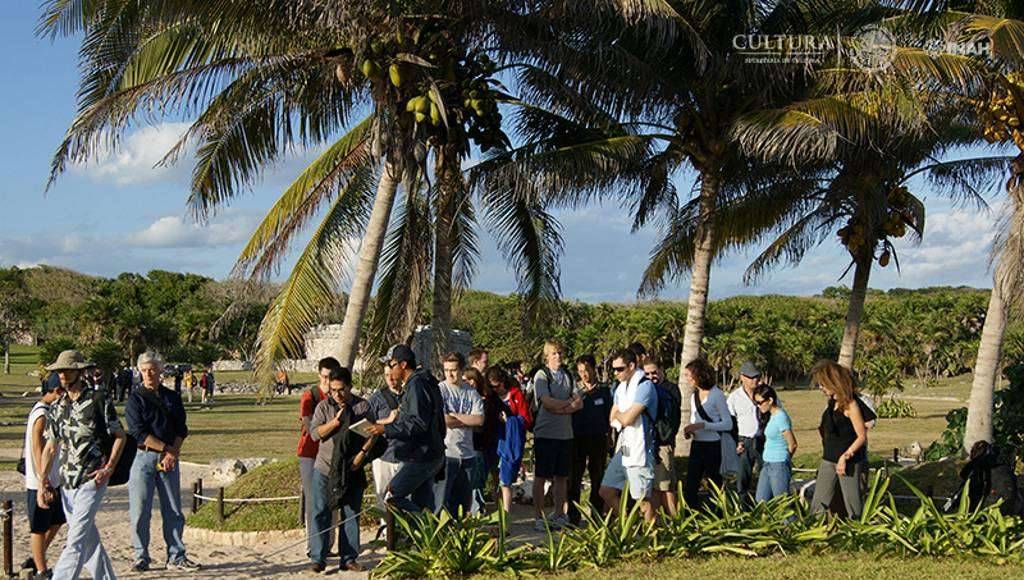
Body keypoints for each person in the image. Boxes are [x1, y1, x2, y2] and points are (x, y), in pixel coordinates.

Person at [37, 350, 127, 580]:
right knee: (88, 539)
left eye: (67, 370)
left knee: (75, 540)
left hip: (92, 478)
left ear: (80, 371)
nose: (63, 375)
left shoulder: (98, 400)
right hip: (67, 482)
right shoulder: (57, 407)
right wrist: (42, 482)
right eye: (59, 371)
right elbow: (50, 447)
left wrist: (110, 467)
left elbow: (119, 435)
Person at [125, 351, 199, 572]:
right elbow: (138, 432)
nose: (149, 373)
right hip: (144, 457)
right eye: (145, 370)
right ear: (140, 372)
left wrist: (172, 453)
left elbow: (181, 429)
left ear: (160, 371)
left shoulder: (172, 397)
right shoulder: (135, 399)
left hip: (169, 458)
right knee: (140, 510)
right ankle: (141, 556)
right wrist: (167, 450)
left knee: (173, 509)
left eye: (153, 369)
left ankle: (176, 555)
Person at [308, 367, 376, 573]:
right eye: (333, 390)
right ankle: (318, 557)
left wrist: (361, 455)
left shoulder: (362, 406)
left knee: (351, 512)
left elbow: (373, 434)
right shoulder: (323, 407)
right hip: (325, 467)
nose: (337, 394)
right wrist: (334, 423)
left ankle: (348, 557)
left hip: (352, 468)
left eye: (341, 390)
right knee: (320, 512)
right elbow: (314, 434)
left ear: (350, 386)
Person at [367, 345, 446, 516]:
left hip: (422, 456)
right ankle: (423, 536)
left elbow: (417, 423)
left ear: (402, 365)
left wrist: (385, 428)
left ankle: (425, 528)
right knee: (422, 502)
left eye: (392, 364)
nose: (389, 369)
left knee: (392, 496)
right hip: (430, 452)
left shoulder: (417, 385)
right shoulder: (423, 382)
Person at [598, 349, 658, 523]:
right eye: (613, 369)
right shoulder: (620, 389)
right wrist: (620, 416)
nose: (616, 373)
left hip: (640, 449)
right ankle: (628, 525)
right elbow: (614, 417)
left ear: (631, 366)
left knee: (643, 500)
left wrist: (620, 416)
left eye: (620, 369)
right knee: (606, 490)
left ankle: (651, 537)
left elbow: (627, 418)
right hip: (624, 447)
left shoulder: (644, 386)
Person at [531, 340, 582, 531]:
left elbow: (580, 403)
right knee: (541, 475)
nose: (558, 356)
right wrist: (568, 405)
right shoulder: (542, 376)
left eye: (559, 352)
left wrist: (563, 407)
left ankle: (560, 513)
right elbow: (547, 402)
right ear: (547, 356)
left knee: (562, 477)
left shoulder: (568, 375)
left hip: (565, 434)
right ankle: (538, 516)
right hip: (546, 433)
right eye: (553, 353)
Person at [809, 360, 868, 518]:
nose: (821, 388)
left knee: (852, 504)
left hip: (847, 462)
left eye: (823, 384)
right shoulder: (832, 403)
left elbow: (861, 436)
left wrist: (846, 456)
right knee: (818, 503)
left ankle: (857, 533)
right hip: (828, 458)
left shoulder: (851, 405)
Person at [22, 379, 66, 580]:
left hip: (53, 478)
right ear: (56, 391)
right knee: (39, 526)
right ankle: (41, 570)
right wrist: (43, 478)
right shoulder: (42, 414)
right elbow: (38, 446)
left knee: (58, 519)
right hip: (40, 480)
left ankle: (36, 557)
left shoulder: (47, 411)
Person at [299, 357, 340, 555]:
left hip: (332, 455)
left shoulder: (339, 396)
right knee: (313, 501)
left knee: (333, 501)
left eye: (330, 377)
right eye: (323, 377)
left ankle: (328, 544)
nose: (326, 381)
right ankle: (313, 545)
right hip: (310, 453)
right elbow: (309, 426)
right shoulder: (310, 396)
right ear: (319, 375)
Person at [681, 358, 731, 510]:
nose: (687, 378)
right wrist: (690, 431)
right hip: (697, 445)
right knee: (691, 484)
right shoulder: (693, 396)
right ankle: (691, 514)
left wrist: (704, 425)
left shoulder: (717, 395)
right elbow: (694, 419)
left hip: (713, 445)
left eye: (689, 375)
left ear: (699, 375)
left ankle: (720, 514)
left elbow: (728, 424)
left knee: (715, 484)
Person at [437, 352, 484, 515]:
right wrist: (466, 419)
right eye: (446, 370)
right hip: (447, 453)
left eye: (453, 370)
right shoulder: (440, 390)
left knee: (464, 504)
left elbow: (479, 420)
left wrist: (454, 416)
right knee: (442, 501)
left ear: (462, 370)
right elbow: (443, 420)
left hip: (467, 454)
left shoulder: (471, 392)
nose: (449, 374)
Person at [567, 354, 612, 525]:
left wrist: (610, 438)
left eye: (586, 370)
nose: (584, 374)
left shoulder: (604, 391)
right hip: (577, 439)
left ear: (594, 369)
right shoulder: (575, 392)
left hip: (598, 439)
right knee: (574, 479)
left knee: (597, 477)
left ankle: (596, 516)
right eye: (580, 371)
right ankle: (573, 516)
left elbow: (609, 417)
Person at [486, 366, 531, 514]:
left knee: (505, 481)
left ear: (503, 382)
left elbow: (526, 420)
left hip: (510, 442)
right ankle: (498, 512)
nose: (495, 389)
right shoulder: (491, 397)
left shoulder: (516, 395)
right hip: (493, 440)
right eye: (492, 387)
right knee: (495, 480)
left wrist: (510, 420)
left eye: (497, 386)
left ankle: (506, 515)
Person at [367, 359, 403, 538]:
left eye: (393, 375)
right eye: (387, 375)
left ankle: (402, 530)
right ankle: (386, 532)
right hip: (383, 454)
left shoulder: (409, 395)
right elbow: (367, 425)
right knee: (383, 496)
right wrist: (387, 421)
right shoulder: (377, 398)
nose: (390, 379)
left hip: (405, 454)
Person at [643, 358, 681, 517]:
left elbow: (673, 420)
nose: (652, 376)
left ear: (661, 370)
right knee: (652, 488)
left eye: (654, 372)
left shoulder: (671, 390)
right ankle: (658, 524)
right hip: (648, 445)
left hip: (663, 444)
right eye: (647, 374)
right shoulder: (646, 389)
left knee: (665, 488)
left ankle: (675, 521)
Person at [464, 367, 500, 514]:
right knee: (472, 481)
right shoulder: (464, 398)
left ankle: (478, 508)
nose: (469, 383)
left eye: (471, 379)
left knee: (478, 480)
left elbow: (481, 424)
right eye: (466, 380)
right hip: (468, 444)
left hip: (482, 445)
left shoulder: (486, 400)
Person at [727, 361, 764, 502]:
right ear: (742, 377)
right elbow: (730, 423)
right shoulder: (734, 398)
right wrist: (735, 442)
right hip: (744, 440)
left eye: (756, 376)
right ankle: (743, 509)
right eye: (751, 377)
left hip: (763, 439)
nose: (754, 380)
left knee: (765, 475)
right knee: (743, 478)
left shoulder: (764, 393)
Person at [754, 385, 797, 503]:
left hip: (778, 464)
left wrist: (784, 460)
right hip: (767, 463)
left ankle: (792, 522)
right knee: (761, 501)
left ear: (770, 400)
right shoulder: (771, 416)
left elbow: (792, 444)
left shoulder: (780, 417)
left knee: (782, 504)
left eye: (760, 402)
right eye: (756, 403)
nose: (758, 406)